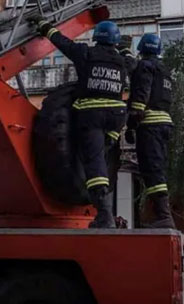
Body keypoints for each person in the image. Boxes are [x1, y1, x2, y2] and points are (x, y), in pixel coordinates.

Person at [32, 16, 134, 228]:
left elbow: (62, 42)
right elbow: (132, 63)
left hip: (92, 115)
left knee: (94, 159)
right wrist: (125, 49)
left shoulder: (86, 53)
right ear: (114, 41)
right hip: (116, 117)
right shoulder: (122, 61)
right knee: (104, 155)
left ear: (96, 38)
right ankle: (104, 199)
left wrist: (44, 26)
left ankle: (104, 214)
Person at [126, 33, 176, 229]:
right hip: (164, 123)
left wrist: (131, 124)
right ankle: (162, 215)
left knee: (151, 169)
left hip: (150, 124)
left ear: (141, 49)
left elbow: (141, 95)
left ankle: (163, 216)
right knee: (157, 169)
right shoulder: (165, 70)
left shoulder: (145, 66)